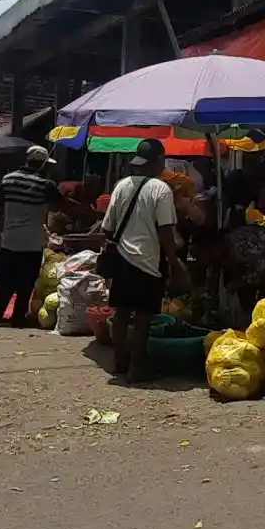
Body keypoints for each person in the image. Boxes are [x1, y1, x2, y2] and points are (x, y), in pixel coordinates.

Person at [101, 138, 185, 381]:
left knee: (121, 313)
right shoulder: (160, 189)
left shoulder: (121, 186)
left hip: (123, 260)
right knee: (143, 317)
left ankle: (120, 361)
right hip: (149, 261)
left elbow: (108, 227)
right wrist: (173, 261)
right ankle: (136, 369)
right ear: (158, 160)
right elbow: (165, 231)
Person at [0, 148, 63, 328]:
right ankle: (18, 318)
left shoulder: (8, 179)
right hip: (32, 243)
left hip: (10, 240)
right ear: (43, 164)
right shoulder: (46, 185)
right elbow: (60, 205)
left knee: (3, 282)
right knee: (26, 283)